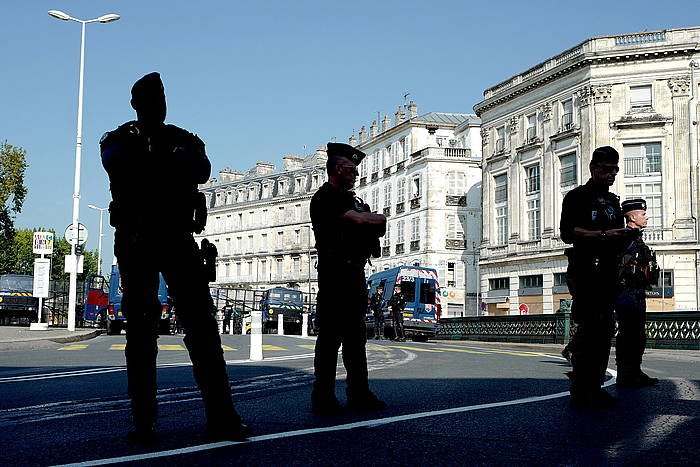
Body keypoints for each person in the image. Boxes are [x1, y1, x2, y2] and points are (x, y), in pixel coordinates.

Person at [100, 72, 250, 443]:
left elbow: (201, 168)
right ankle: (144, 420)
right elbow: (119, 163)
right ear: (136, 104)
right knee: (140, 331)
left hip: (179, 240)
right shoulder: (119, 140)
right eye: (150, 99)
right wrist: (168, 163)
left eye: (162, 98)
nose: (158, 104)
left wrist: (152, 163)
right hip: (137, 241)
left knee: (202, 328)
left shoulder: (183, 138)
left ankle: (222, 415)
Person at [310, 142, 388, 416]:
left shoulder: (350, 199)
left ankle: (359, 393)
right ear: (338, 169)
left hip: (354, 271)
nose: (356, 174)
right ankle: (323, 396)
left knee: (356, 338)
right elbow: (359, 221)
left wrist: (370, 219)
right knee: (331, 337)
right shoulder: (325, 198)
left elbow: (373, 225)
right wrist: (370, 218)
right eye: (352, 169)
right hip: (334, 274)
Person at [560, 146, 637, 410]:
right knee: (590, 328)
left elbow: (614, 231)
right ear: (594, 168)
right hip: (585, 270)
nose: (611, 174)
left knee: (605, 329)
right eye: (606, 169)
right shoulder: (577, 197)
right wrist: (603, 236)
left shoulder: (613, 201)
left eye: (615, 170)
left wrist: (624, 235)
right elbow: (569, 232)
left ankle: (594, 386)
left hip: (608, 271)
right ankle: (581, 390)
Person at [615, 199, 660, 387]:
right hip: (626, 292)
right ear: (632, 217)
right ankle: (626, 374)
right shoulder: (624, 237)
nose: (646, 217)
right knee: (629, 333)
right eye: (643, 214)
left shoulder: (636, 237)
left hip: (637, 292)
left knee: (637, 334)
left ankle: (634, 371)